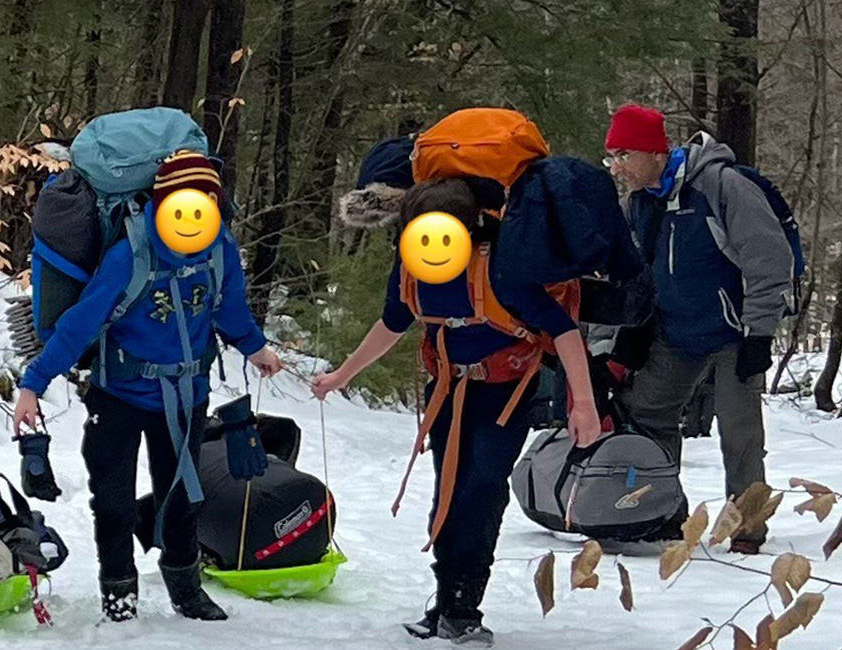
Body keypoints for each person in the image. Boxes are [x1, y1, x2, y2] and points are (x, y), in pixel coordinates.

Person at [313, 178, 600, 646]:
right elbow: (393, 323)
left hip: (505, 394)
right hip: (448, 390)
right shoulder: (412, 267)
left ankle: (465, 606)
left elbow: (563, 330)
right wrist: (342, 376)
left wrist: (582, 404)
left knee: (480, 491)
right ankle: (448, 601)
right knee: (448, 494)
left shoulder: (501, 265)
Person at [13, 152, 282, 622]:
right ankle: (119, 599)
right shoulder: (128, 255)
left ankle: (186, 589)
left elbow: (230, 309)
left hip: (187, 397)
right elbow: (80, 324)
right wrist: (33, 383)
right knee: (113, 504)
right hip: (118, 395)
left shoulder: (219, 249)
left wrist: (255, 348)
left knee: (181, 497)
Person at [604, 104, 793, 554]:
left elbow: (770, 259)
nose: (617, 167)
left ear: (653, 151)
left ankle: (747, 530)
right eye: (611, 156)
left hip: (735, 333)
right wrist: (625, 340)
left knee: (739, 431)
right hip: (676, 333)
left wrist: (760, 334)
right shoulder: (640, 205)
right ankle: (661, 513)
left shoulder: (722, 186)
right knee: (648, 413)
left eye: (624, 154)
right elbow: (638, 276)